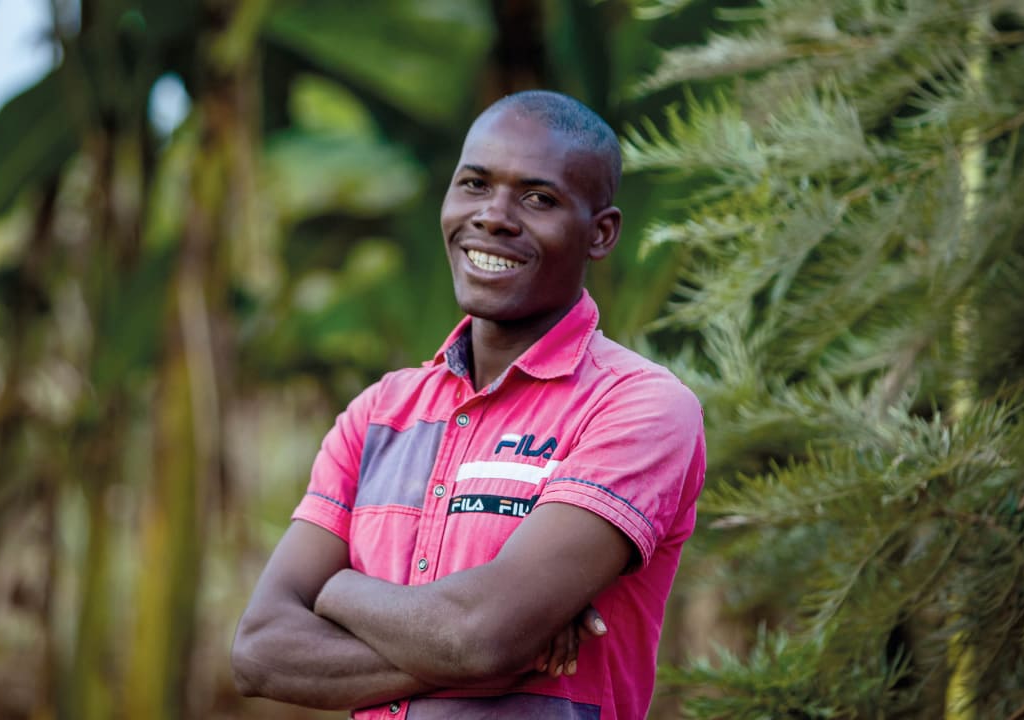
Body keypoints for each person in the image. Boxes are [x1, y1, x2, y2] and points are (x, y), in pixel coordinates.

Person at [231, 90, 706, 719]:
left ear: (601, 232)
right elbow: (259, 649)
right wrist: (491, 640)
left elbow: (481, 636)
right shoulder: (378, 413)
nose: (493, 217)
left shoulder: (638, 407)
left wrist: (337, 591)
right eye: (475, 184)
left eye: (538, 198)